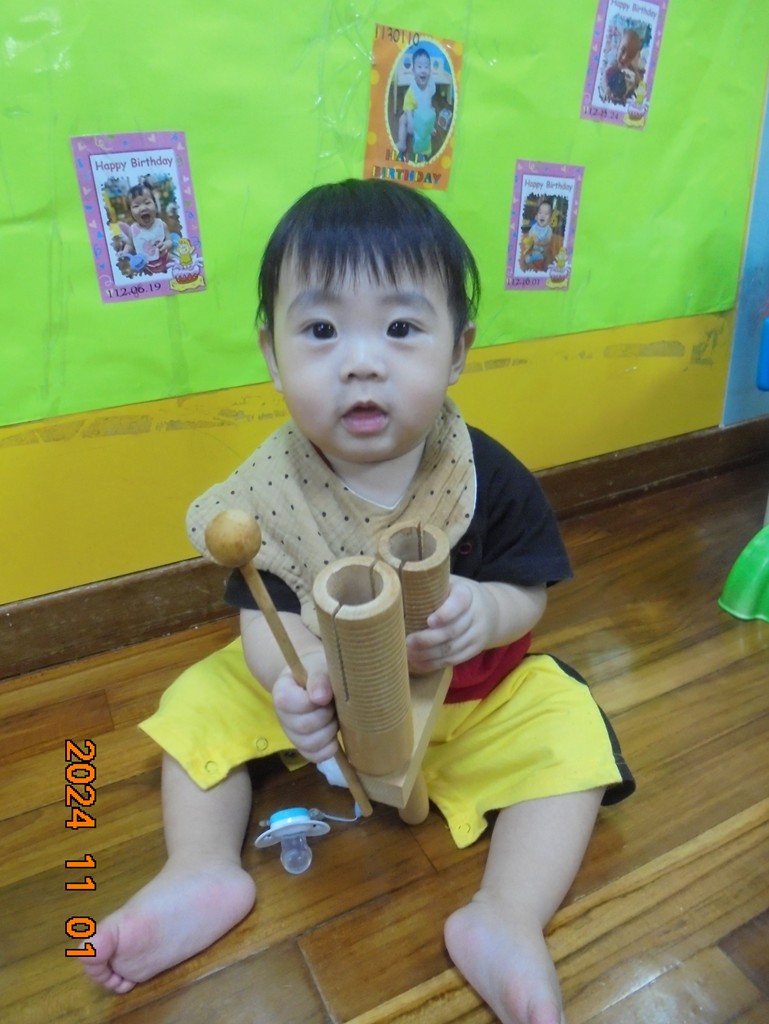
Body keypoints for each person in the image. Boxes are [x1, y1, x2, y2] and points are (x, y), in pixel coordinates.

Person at [83, 178, 634, 1024]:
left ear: (457, 351)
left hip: (467, 705)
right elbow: (263, 612)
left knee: (571, 730)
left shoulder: (482, 474)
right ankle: (199, 868)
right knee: (199, 698)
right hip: (327, 709)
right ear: (273, 355)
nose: (362, 361)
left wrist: (485, 611)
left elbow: (529, 592)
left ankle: (505, 914)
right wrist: (293, 678)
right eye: (321, 330)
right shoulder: (272, 492)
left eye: (402, 329)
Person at [112, 183, 174, 273]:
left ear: (155, 205)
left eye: (147, 203)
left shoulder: (161, 225)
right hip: (144, 265)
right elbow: (130, 244)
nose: (143, 208)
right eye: (136, 206)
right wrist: (125, 252)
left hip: (164, 260)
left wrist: (165, 245)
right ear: (130, 212)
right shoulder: (133, 230)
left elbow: (170, 241)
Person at [397, 48, 437, 161]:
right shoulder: (412, 90)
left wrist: (430, 122)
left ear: (430, 70)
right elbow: (408, 108)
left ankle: (424, 149)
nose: (423, 70)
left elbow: (429, 100)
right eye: (419, 67)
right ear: (413, 71)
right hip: (413, 113)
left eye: (426, 67)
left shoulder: (430, 85)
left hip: (424, 114)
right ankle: (402, 143)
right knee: (402, 120)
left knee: (433, 111)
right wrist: (411, 122)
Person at [602, 27, 646, 104]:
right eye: (622, 50)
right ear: (618, 47)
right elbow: (605, 76)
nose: (624, 58)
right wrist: (607, 88)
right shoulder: (613, 63)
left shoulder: (631, 68)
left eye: (630, 56)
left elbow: (640, 81)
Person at [524, 199, 554, 268]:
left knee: (549, 256)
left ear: (550, 218)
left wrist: (539, 242)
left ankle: (546, 269)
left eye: (546, 214)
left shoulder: (549, 229)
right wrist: (530, 240)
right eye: (540, 213)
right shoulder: (533, 227)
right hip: (534, 251)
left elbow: (548, 241)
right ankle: (532, 269)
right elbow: (529, 237)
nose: (542, 215)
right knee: (526, 258)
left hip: (544, 252)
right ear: (536, 216)